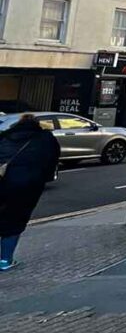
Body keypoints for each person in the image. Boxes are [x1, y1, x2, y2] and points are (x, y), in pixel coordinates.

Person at [0, 114, 60, 271]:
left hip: (2, 180)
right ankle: (5, 260)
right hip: (27, 184)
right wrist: (43, 178)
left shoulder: (6, 136)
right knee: (16, 219)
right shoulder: (45, 138)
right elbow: (52, 159)